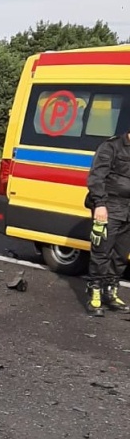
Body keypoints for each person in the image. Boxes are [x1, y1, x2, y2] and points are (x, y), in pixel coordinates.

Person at [85, 132, 130, 316]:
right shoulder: (111, 146)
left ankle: (110, 291)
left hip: (128, 210)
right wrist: (100, 204)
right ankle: (94, 292)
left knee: (121, 254)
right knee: (101, 251)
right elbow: (96, 177)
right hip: (110, 206)